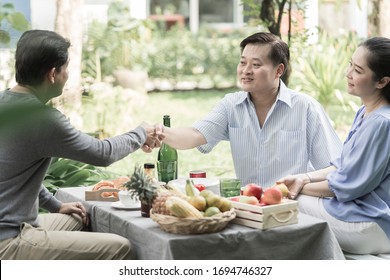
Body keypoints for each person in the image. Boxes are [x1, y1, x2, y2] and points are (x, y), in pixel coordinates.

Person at [0, 30, 161, 260]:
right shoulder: (41, 118)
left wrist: (56, 205)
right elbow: (102, 154)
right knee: (120, 247)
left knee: (80, 218)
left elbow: (15, 172)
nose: (68, 74)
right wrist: (141, 133)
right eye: (66, 68)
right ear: (52, 74)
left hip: (18, 226)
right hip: (9, 240)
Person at [156, 32, 342, 187]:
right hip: (248, 205)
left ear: (279, 71)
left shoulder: (306, 108)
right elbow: (195, 135)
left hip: (294, 206)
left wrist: (305, 184)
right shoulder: (231, 105)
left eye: (256, 64)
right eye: (243, 62)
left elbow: (335, 166)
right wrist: (156, 132)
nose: (246, 70)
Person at [277, 36, 390, 255]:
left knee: (281, 205)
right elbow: (343, 166)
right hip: (363, 216)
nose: (348, 73)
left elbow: (347, 187)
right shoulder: (366, 112)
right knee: (284, 198)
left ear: (382, 81)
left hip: (371, 224)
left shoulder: (380, 123)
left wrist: (294, 188)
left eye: (358, 70)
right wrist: (303, 178)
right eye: (350, 64)